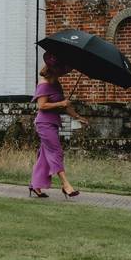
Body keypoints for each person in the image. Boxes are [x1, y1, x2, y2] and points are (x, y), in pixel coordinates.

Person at [30, 56, 89, 199]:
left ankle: (35, 186)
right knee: (57, 152)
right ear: (55, 69)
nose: (65, 73)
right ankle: (66, 185)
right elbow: (42, 106)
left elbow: (65, 105)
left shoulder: (56, 84)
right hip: (44, 124)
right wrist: (60, 104)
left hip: (53, 123)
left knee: (45, 156)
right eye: (63, 70)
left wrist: (77, 117)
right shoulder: (43, 84)